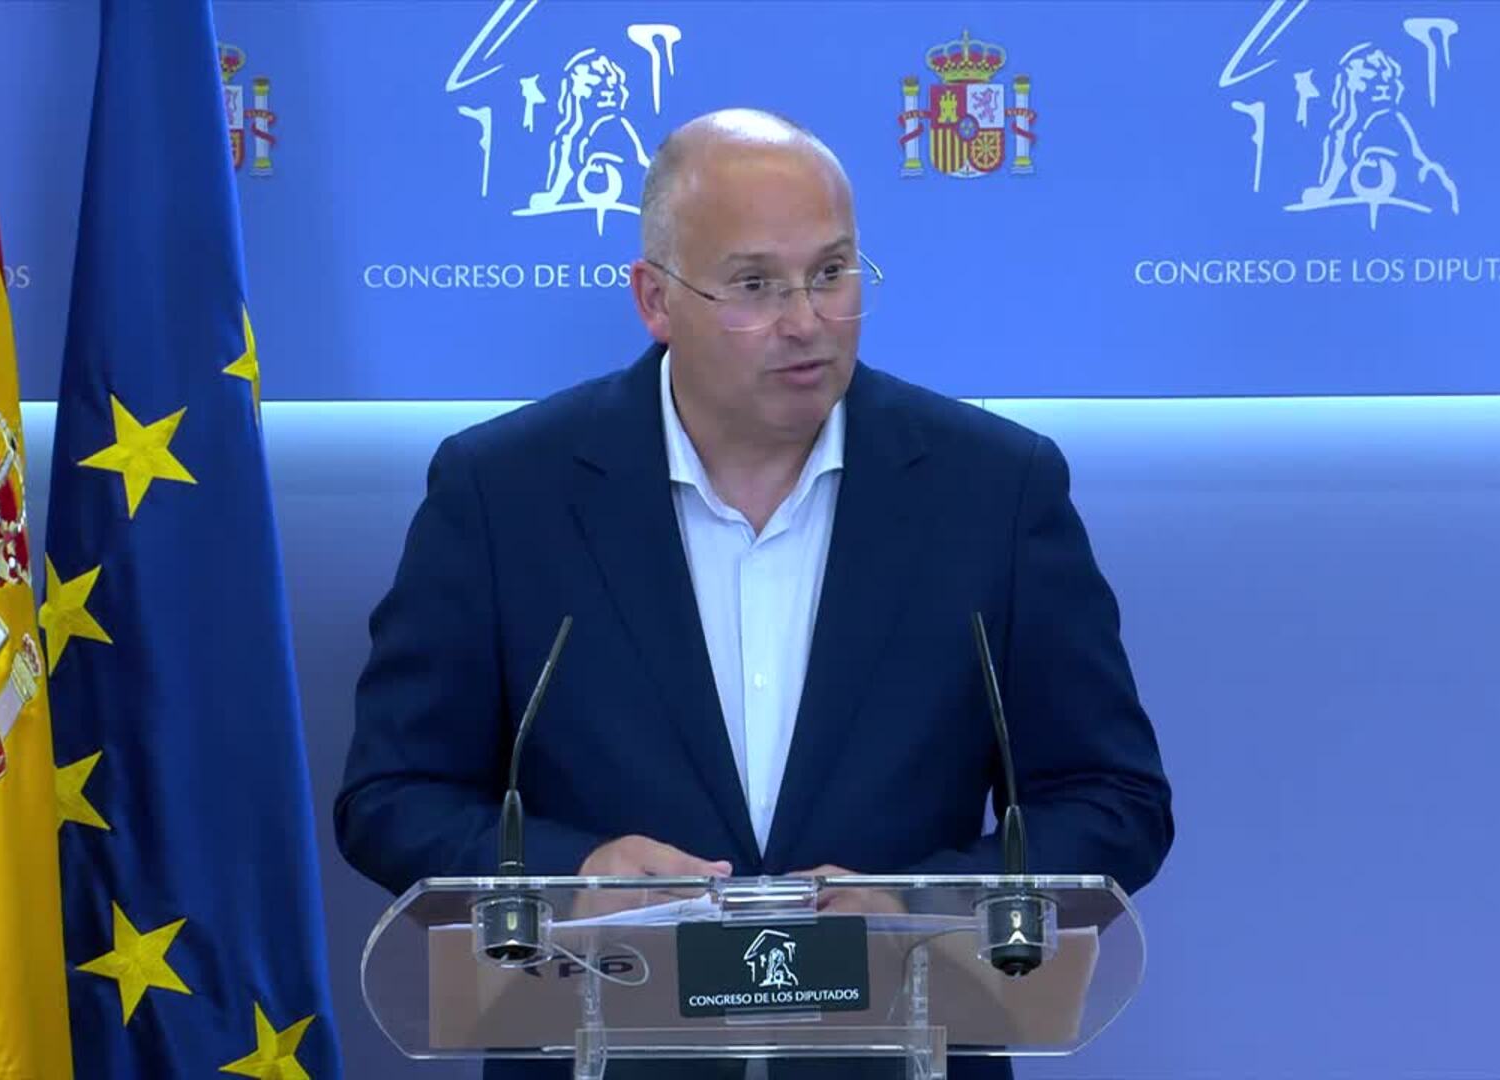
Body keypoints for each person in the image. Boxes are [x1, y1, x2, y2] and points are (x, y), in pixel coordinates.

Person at [336, 109, 1173, 1079]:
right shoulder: (503, 493)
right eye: (755, 285)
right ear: (655, 299)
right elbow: (393, 796)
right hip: (599, 1049)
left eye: (832, 272)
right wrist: (574, 876)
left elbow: (1111, 800)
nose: (806, 321)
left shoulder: (994, 490)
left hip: (897, 1055)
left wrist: (920, 904)